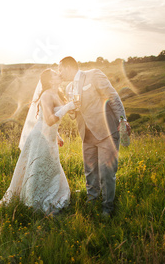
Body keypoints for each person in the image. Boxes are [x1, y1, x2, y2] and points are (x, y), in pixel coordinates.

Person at [0, 69, 76, 215]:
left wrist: (57, 135)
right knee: (39, 168)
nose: (59, 74)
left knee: (50, 167)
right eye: (55, 74)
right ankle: (33, 202)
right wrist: (67, 108)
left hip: (49, 137)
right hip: (40, 138)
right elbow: (49, 120)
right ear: (50, 80)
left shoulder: (57, 93)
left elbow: (49, 121)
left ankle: (46, 194)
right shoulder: (46, 95)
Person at [58, 56, 131, 217]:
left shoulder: (93, 75)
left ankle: (107, 207)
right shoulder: (69, 88)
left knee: (106, 172)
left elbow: (113, 96)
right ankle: (92, 201)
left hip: (106, 131)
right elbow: (74, 114)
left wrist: (122, 120)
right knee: (90, 171)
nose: (59, 73)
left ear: (69, 67)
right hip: (86, 134)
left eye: (60, 69)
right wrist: (71, 110)